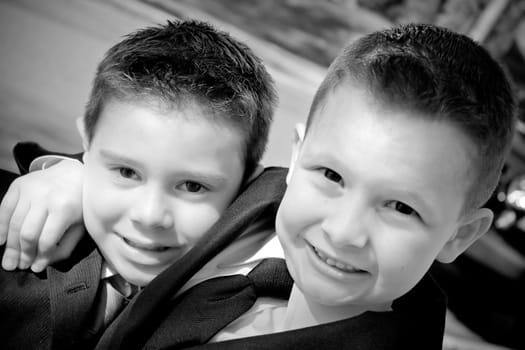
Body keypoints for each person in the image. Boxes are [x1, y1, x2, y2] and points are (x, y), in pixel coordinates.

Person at [1, 23, 516, 349]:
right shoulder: (265, 200)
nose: (342, 230)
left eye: (402, 207)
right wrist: (67, 175)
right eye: (332, 176)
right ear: (297, 155)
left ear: (459, 235)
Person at [0, 19, 277, 349]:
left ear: (246, 183)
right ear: (87, 144)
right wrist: (66, 168)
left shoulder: (253, 291)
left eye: (192, 186)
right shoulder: (15, 229)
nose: (149, 215)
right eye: (126, 172)